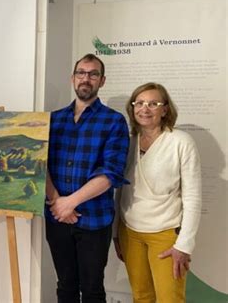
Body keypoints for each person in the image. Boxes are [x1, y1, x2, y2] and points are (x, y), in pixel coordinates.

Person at [45, 53, 130, 303]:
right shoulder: (53, 120)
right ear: (73, 78)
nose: (86, 78)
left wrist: (69, 203)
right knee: (65, 286)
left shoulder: (114, 121)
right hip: (57, 217)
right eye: (81, 73)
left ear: (102, 81)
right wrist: (57, 201)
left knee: (92, 288)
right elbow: (40, 165)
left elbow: (111, 172)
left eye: (93, 74)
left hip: (95, 219)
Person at [113, 82, 202, 302]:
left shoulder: (181, 142)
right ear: (132, 108)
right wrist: (116, 233)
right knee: (141, 297)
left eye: (153, 103)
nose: (145, 108)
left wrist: (184, 244)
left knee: (169, 299)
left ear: (165, 110)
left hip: (166, 235)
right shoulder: (129, 141)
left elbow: (193, 197)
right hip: (130, 232)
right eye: (140, 103)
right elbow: (121, 191)